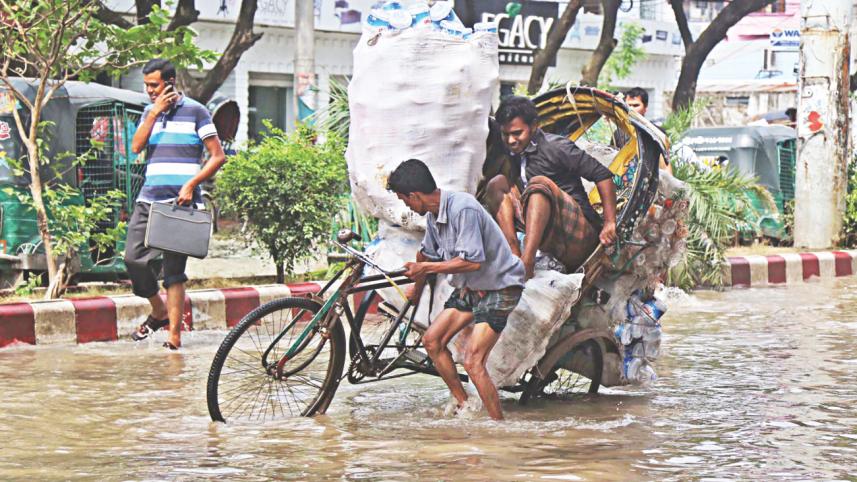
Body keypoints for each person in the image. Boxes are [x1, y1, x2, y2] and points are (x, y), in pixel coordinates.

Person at [389, 159, 525, 421]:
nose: (407, 206)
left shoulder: (463, 209)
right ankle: (465, 405)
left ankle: (499, 427)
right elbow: (425, 254)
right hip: (472, 288)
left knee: (472, 360)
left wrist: (425, 269)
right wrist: (415, 290)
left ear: (414, 195)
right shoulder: (433, 216)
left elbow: (472, 262)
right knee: (431, 341)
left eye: (406, 201)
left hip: (501, 286)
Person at [125, 58, 227, 350]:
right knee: (133, 260)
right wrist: (154, 113)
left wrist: (192, 185)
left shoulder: (196, 111)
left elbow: (217, 156)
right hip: (148, 199)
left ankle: (174, 337)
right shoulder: (149, 111)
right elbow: (135, 147)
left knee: (173, 272)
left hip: (179, 203)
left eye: (153, 85)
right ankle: (158, 310)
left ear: (169, 82)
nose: (149, 91)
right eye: (146, 86)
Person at [484, 96, 618, 280]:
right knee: (496, 183)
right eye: (505, 134)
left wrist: (610, 222)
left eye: (517, 133)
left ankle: (527, 262)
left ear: (534, 126)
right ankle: (514, 255)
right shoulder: (513, 152)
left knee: (539, 183)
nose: (511, 140)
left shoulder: (556, 147)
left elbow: (602, 175)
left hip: (577, 234)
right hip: (542, 231)